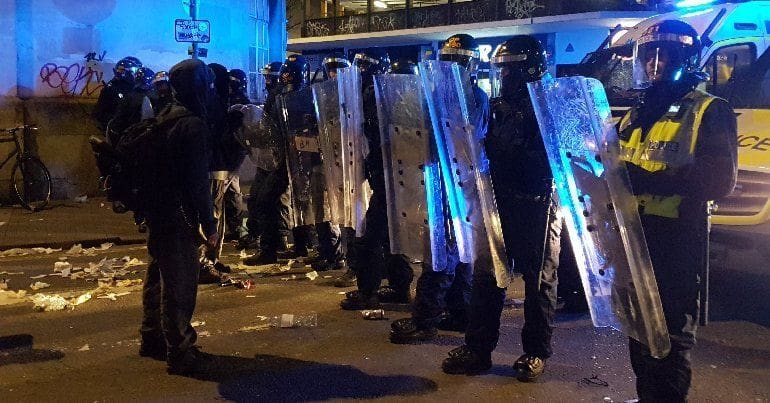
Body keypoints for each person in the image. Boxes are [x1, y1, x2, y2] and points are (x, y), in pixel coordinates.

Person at [619, 20, 737, 401]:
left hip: (676, 241)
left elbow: (719, 181)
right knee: (639, 333)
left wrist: (646, 179)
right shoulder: (636, 112)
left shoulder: (709, 110)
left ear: (685, 58)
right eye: (649, 54)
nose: (654, 63)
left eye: (663, 54)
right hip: (635, 238)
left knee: (669, 340)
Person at [441, 35, 563, 382]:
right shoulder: (495, 107)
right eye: (502, 71)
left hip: (538, 205)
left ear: (531, 70)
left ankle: (536, 352)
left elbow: (559, 159)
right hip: (498, 202)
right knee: (486, 277)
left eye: (512, 71)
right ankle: (478, 349)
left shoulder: (549, 106)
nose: (505, 78)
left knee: (539, 283)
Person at [389, 34, 486, 344]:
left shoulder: (473, 96)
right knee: (456, 252)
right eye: (450, 61)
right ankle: (460, 313)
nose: (453, 67)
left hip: (456, 181)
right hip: (440, 180)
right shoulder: (434, 93)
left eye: (459, 61)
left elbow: (467, 140)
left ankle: (426, 319)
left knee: (441, 253)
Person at [138, 58, 218, 375]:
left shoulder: (165, 117)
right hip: (179, 214)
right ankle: (180, 350)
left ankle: (152, 338)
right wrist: (209, 223)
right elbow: (197, 182)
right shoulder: (192, 125)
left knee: (158, 275)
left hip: (159, 210)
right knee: (180, 284)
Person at [340, 48, 414, 310]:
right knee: (390, 236)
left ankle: (368, 290)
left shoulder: (383, 98)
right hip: (385, 176)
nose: (359, 72)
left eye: (363, 67)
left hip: (390, 176)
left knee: (371, 237)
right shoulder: (366, 97)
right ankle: (399, 285)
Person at [242, 62, 290, 264]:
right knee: (262, 199)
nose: (267, 80)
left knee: (265, 200)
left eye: (271, 76)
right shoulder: (276, 95)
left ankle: (270, 248)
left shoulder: (282, 96)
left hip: (280, 156)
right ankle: (274, 242)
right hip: (271, 156)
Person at [94, 56, 142, 133]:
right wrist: (116, 120)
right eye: (120, 70)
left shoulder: (138, 88)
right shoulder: (111, 88)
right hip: (118, 128)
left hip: (135, 127)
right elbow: (100, 112)